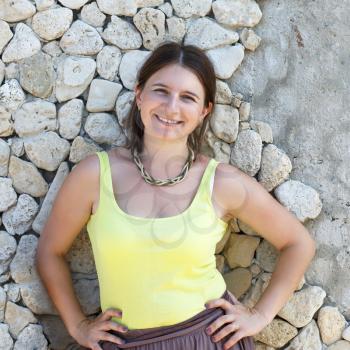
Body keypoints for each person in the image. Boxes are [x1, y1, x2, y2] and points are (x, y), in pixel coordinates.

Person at [36, 41, 316, 350]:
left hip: (207, 339)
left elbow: (298, 243)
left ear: (203, 110)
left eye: (188, 97)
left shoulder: (221, 182)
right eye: (161, 91)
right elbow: (49, 252)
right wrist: (78, 325)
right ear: (139, 94)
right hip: (125, 342)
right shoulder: (93, 176)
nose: (171, 107)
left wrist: (259, 316)